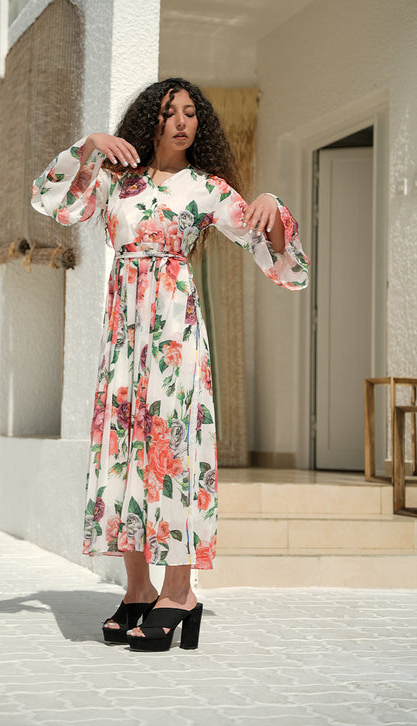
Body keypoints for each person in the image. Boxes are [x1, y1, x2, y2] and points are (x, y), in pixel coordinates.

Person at [31, 78, 309, 652]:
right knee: (127, 450)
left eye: (190, 113)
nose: (182, 122)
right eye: (168, 112)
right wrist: (90, 146)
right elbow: (51, 202)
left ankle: (180, 592)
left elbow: (281, 263)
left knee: (173, 449)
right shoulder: (117, 181)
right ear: (149, 121)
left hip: (175, 335)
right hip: (123, 335)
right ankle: (138, 589)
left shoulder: (208, 189)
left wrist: (270, 206)